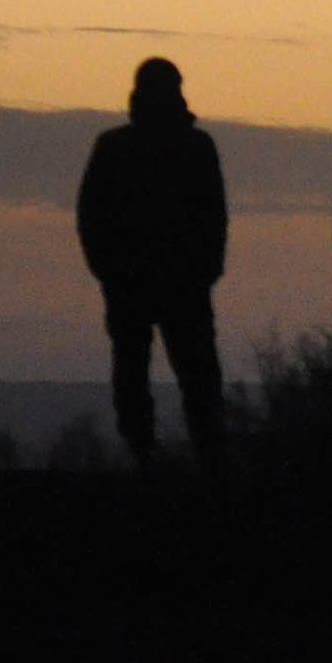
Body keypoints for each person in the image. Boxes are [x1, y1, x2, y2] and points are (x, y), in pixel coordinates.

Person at [75, 57, 229, 466]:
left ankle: (165, 453)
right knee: (159, 372)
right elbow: (92, 214)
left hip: (162, 281)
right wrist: (106, 268)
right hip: (152, 281)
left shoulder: (126, 146)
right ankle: (164, 453)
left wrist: (208, 267)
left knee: (163, 372)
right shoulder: (184, 146)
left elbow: (213, 213)